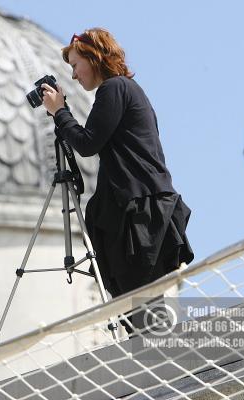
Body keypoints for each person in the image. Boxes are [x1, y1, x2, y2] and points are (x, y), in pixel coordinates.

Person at [41, 28, 194, 332]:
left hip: (139, 211)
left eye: (75, 65)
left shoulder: (114, 89)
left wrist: (60, 113)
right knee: (143, 305)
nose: (73, 76)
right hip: (145, 207)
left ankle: (159, 366)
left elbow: (87, 144)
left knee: (142, 307)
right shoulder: (126, 90)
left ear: (94, 58)